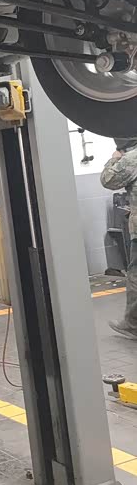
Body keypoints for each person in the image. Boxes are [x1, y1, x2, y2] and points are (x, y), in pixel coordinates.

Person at [100, 137, 137, 338]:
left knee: (136, 275)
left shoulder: (131, 158)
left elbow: (108, 180)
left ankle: (132, 324)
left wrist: (114, 159)